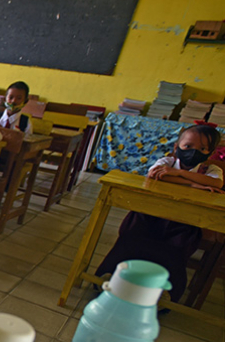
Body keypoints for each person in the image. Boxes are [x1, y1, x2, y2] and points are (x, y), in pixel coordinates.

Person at [96, 125, 223, 302]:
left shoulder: (211, 170)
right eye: (188, 147)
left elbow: (216, 184)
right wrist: (194, 185)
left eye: (202, 149)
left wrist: (178, 174)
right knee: (131, 238)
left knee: (175, 251)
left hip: (184, 222)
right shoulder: (167, 162)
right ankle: (109, 276)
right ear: (176, 146)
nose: (193, 153)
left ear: (209, 153)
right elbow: (156, 175)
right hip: (151, 215)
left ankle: (165, 296)